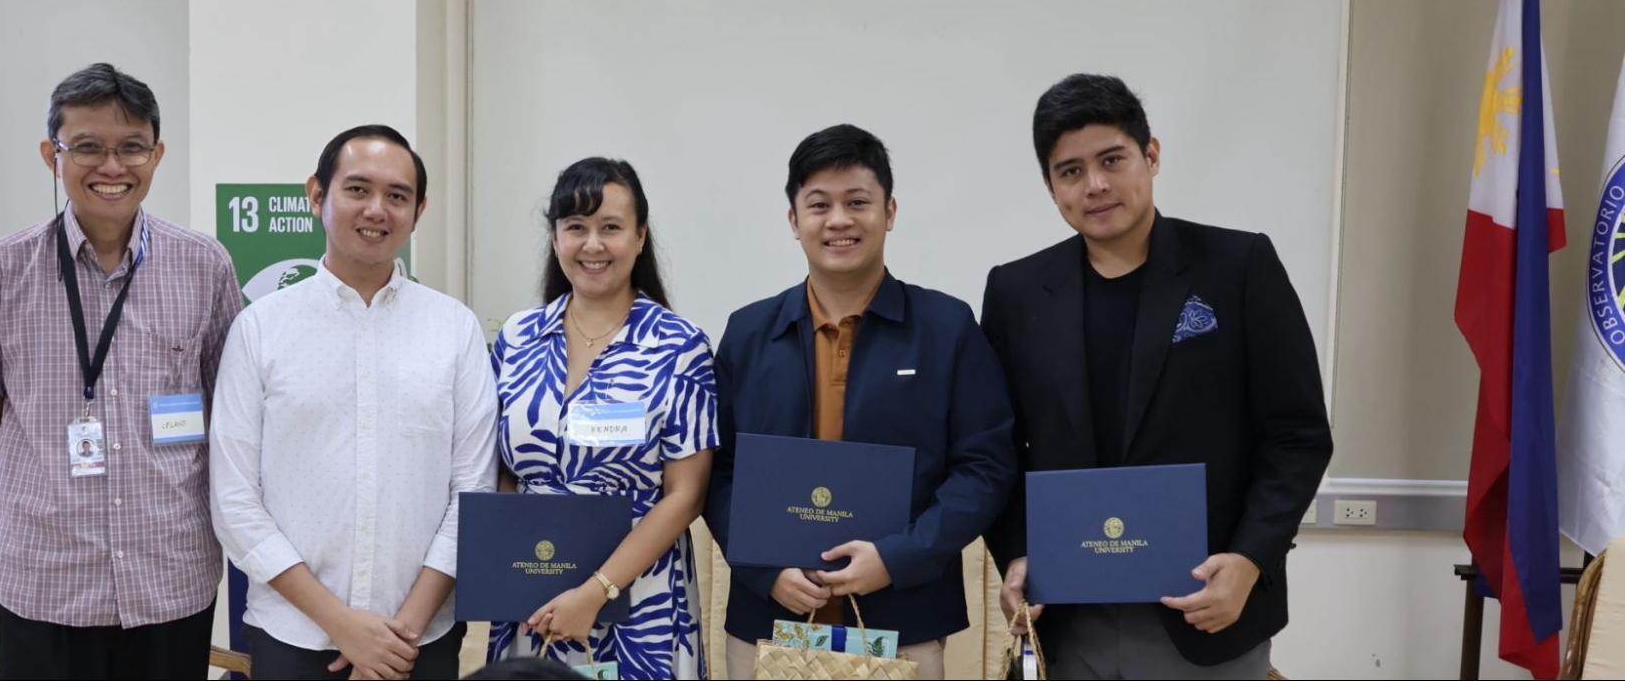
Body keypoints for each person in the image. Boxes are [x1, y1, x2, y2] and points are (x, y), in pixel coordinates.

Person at [982, 73, 1334, 679]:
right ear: (1051, 187)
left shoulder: (1239, 266)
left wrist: (1249, 560)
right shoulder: (1016, 292)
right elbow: (995, 449)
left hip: (1207, 610)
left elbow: (1297, 436)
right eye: (1070, 171)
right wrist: (1015, 553)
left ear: (1151, 156)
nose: (1094, 185)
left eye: (1112, 159)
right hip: (1069, 618)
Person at [0, 62, 242, 679]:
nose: (112, 167)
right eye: (88, 148)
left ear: (157, 155)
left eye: (131, 147)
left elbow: (228, 420)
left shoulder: (204, 266)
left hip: (170, 578)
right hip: (44, 581)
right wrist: (39, 519)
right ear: (52, 154)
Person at [703, 124, 1018, 680]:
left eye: (858, 202)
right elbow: (719, 470)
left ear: (890, 212)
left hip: (900, 616)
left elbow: (985, 467)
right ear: (794, 220)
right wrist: (764, 569)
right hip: (770, 618)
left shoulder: (946, 328)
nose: (839, 220)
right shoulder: (749, 332)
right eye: (819, 204)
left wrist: (898, 558)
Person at [210, 125, 498, 680]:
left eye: (397, 196)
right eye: (358, 190)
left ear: (418, 212)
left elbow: (473, 491)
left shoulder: (454, 329)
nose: (377, 210)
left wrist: (401, 634)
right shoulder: (260, 329)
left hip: (420, 641)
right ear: (317, 196)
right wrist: (343, 625)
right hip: (293, 636)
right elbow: (235, 501)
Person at [484, 158, 718, 679]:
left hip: (640, 604)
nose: (593, 245)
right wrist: (512, 572)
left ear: (640, 238)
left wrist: (596, 591)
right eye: (576, 228)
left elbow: (686, 494)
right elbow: (501, 470)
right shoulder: (518, 338)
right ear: (555, 239)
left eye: (610, 227)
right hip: (531, 597)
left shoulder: (679, 346)